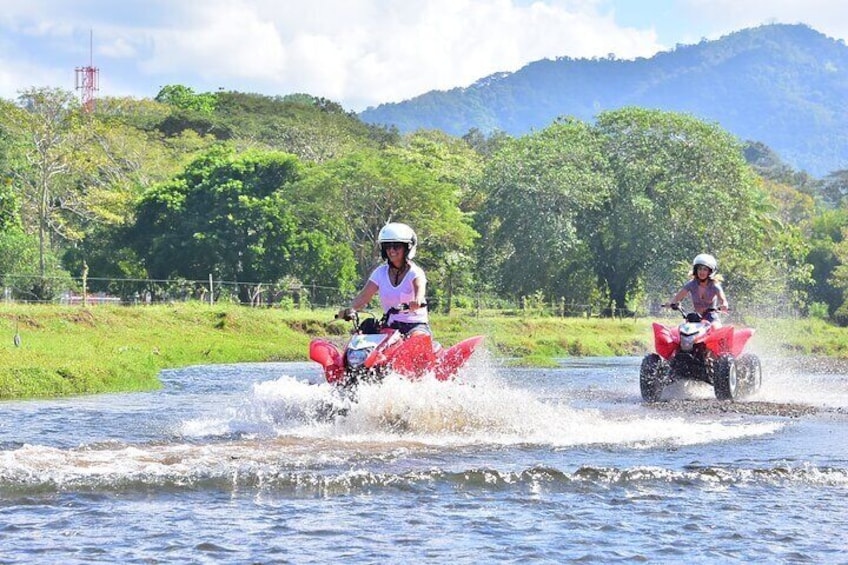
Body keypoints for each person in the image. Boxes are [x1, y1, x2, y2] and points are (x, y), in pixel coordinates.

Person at [338, 222, 431, 336]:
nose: (391, 250)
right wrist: (349, 309)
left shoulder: (415, 272)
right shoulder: (380, 273)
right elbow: (363, 297)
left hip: (415, 326)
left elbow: (420, 290)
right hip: (391, 326)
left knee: (416, 341)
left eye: (396, 246)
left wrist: (417, 301)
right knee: (363, 337)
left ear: (407, 248)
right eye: (387, 246)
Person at [668, 253, 729, 325]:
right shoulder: (691, 284)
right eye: (699, 269)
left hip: (711, 318)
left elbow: (723, 300)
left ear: (710, 272)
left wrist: (724, 305)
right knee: (683, 327)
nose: (701, 272)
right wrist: (672, 303)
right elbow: (677, 298)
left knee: (716, 327)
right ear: (695, 270)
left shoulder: (715, 286)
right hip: (695, 317)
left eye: (705, 269)